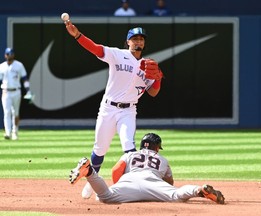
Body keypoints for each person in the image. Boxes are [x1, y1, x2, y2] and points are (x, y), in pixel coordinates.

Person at [63, 17, 164, 199]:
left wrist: (157, 78)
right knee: (100, 149)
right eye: (134, 39)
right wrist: (77, 35)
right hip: (108, 109)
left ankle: (130, 187)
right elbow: (95, 48)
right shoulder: (117, 54)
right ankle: (92, 181)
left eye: (141, 39)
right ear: (128, 42)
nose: (138, 41)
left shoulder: (148, 65)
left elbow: (154, 92)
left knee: (129, 147)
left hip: (128, 111)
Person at [69, 132, 225, 204]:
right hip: (153, 183)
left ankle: (89, 172)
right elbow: (169, 182)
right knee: (176, 195)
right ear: (157, 148)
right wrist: (160, 189)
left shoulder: (130, 154)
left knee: (106, 197)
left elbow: (116, 170)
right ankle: (199, 190)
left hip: (129, 181)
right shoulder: (163, 160)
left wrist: (120, 186)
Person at [0, 48, 33, 140]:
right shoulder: (2, 66)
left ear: (13, 55)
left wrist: (28, 91)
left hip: (16, 91)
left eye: (11, 54)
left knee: (16, 113)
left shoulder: (19, 65)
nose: (9, 56)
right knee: (7, 113)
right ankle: (7, 132)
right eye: (8, 54)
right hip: (6, 91)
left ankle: (15, 132)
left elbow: (24, 78)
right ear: (5, 55)